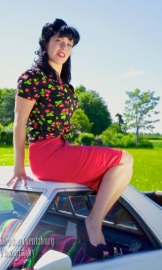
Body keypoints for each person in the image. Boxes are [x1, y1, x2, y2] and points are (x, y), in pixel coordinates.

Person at [7, 18, 133, 259]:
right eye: (58, 41)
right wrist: (19, 166)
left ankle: (95, 231)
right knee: (124, 159)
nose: (64, 47)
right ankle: (93, 223)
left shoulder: (65, 85)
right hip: (46, 154)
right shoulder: (32, 77)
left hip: (61, 149)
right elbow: (19, 121)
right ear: (46, 44)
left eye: (69, 44)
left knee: (115, 171)